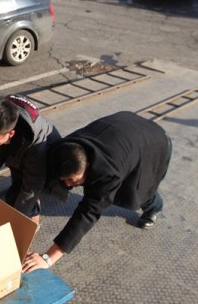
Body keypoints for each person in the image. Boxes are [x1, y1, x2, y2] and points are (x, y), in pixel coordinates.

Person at [23, 111, 172, 272]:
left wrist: (48, 258)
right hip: (123, 130)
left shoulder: (107, 173)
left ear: (87, 166)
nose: (67, 184)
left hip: (153, 143)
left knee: (135, 192)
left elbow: (88, 213)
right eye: (64, 180)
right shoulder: (64, 149)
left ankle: (153, 206)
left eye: (72, 180)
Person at [0, 94, 62, 219]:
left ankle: (36, 208)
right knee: (12, 199)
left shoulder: (35, 140)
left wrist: (17, 219)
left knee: (24, 208)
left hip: (47, 156)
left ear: (11, 133)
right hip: (15, 152)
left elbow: (33, 182)